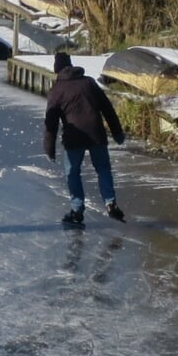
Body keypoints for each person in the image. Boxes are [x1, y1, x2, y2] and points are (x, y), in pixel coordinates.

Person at [44, 51, 127, 225]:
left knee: (72, 173)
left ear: (57, 70)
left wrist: (49, 147)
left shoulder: (57, 90)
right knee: (103, 168)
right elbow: (107, 108)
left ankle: (77, 210)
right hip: (96, 133)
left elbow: (51, 122)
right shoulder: (89, 82)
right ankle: (110, 203)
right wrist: (117, 132)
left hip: (74, 138)